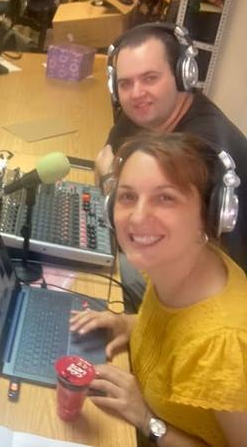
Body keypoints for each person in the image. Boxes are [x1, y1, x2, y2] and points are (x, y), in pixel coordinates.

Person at [72, 132, 247, 447]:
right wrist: (129, 324)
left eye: (165, 198)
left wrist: (148, 420)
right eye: (127, 197)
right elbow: (179, 331)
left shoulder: (224, 345)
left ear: (209, 215)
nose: (138, 217)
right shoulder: (174, 259)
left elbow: (196, 342)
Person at [93, 23, 247, 306]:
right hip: (175, 255)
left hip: (215, 292)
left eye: (150, 78)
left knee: (99, 277)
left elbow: (143, 225)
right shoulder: (146, 112)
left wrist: (108, 182)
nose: (136, 93)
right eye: (125, 84)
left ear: (183, 75)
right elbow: (108, 158)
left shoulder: (201, 148)